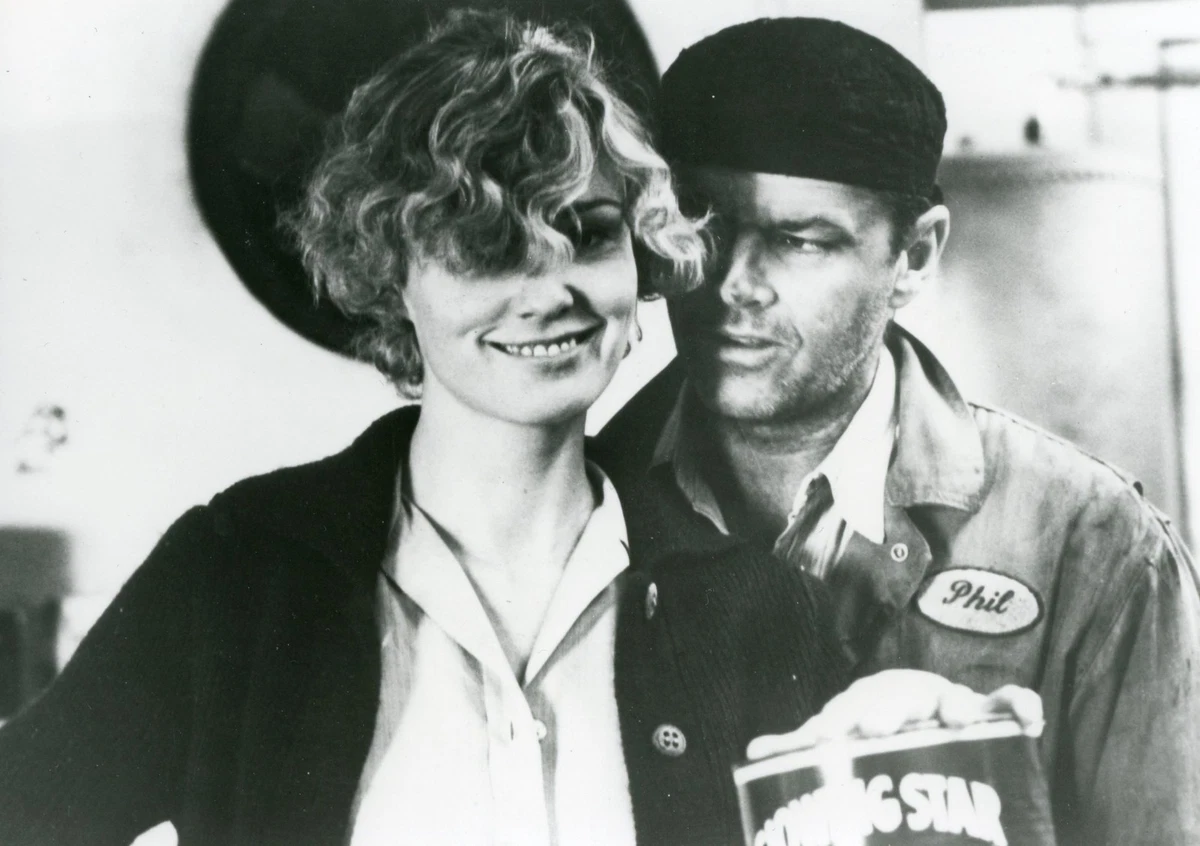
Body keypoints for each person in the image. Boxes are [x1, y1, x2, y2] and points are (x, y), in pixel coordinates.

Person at [0, 12, 1043, 846]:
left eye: (586, 233)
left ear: (643, 254)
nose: (547, 292)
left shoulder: (753, 607)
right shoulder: (239, 571)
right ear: (393, 276)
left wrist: (900, 776)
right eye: (484, 242)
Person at [596, 16, 1200, 846]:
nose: (735, 283)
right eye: (705, 226)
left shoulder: (1092, 545)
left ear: (914, 257)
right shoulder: (582, 508)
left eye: (798, 241)